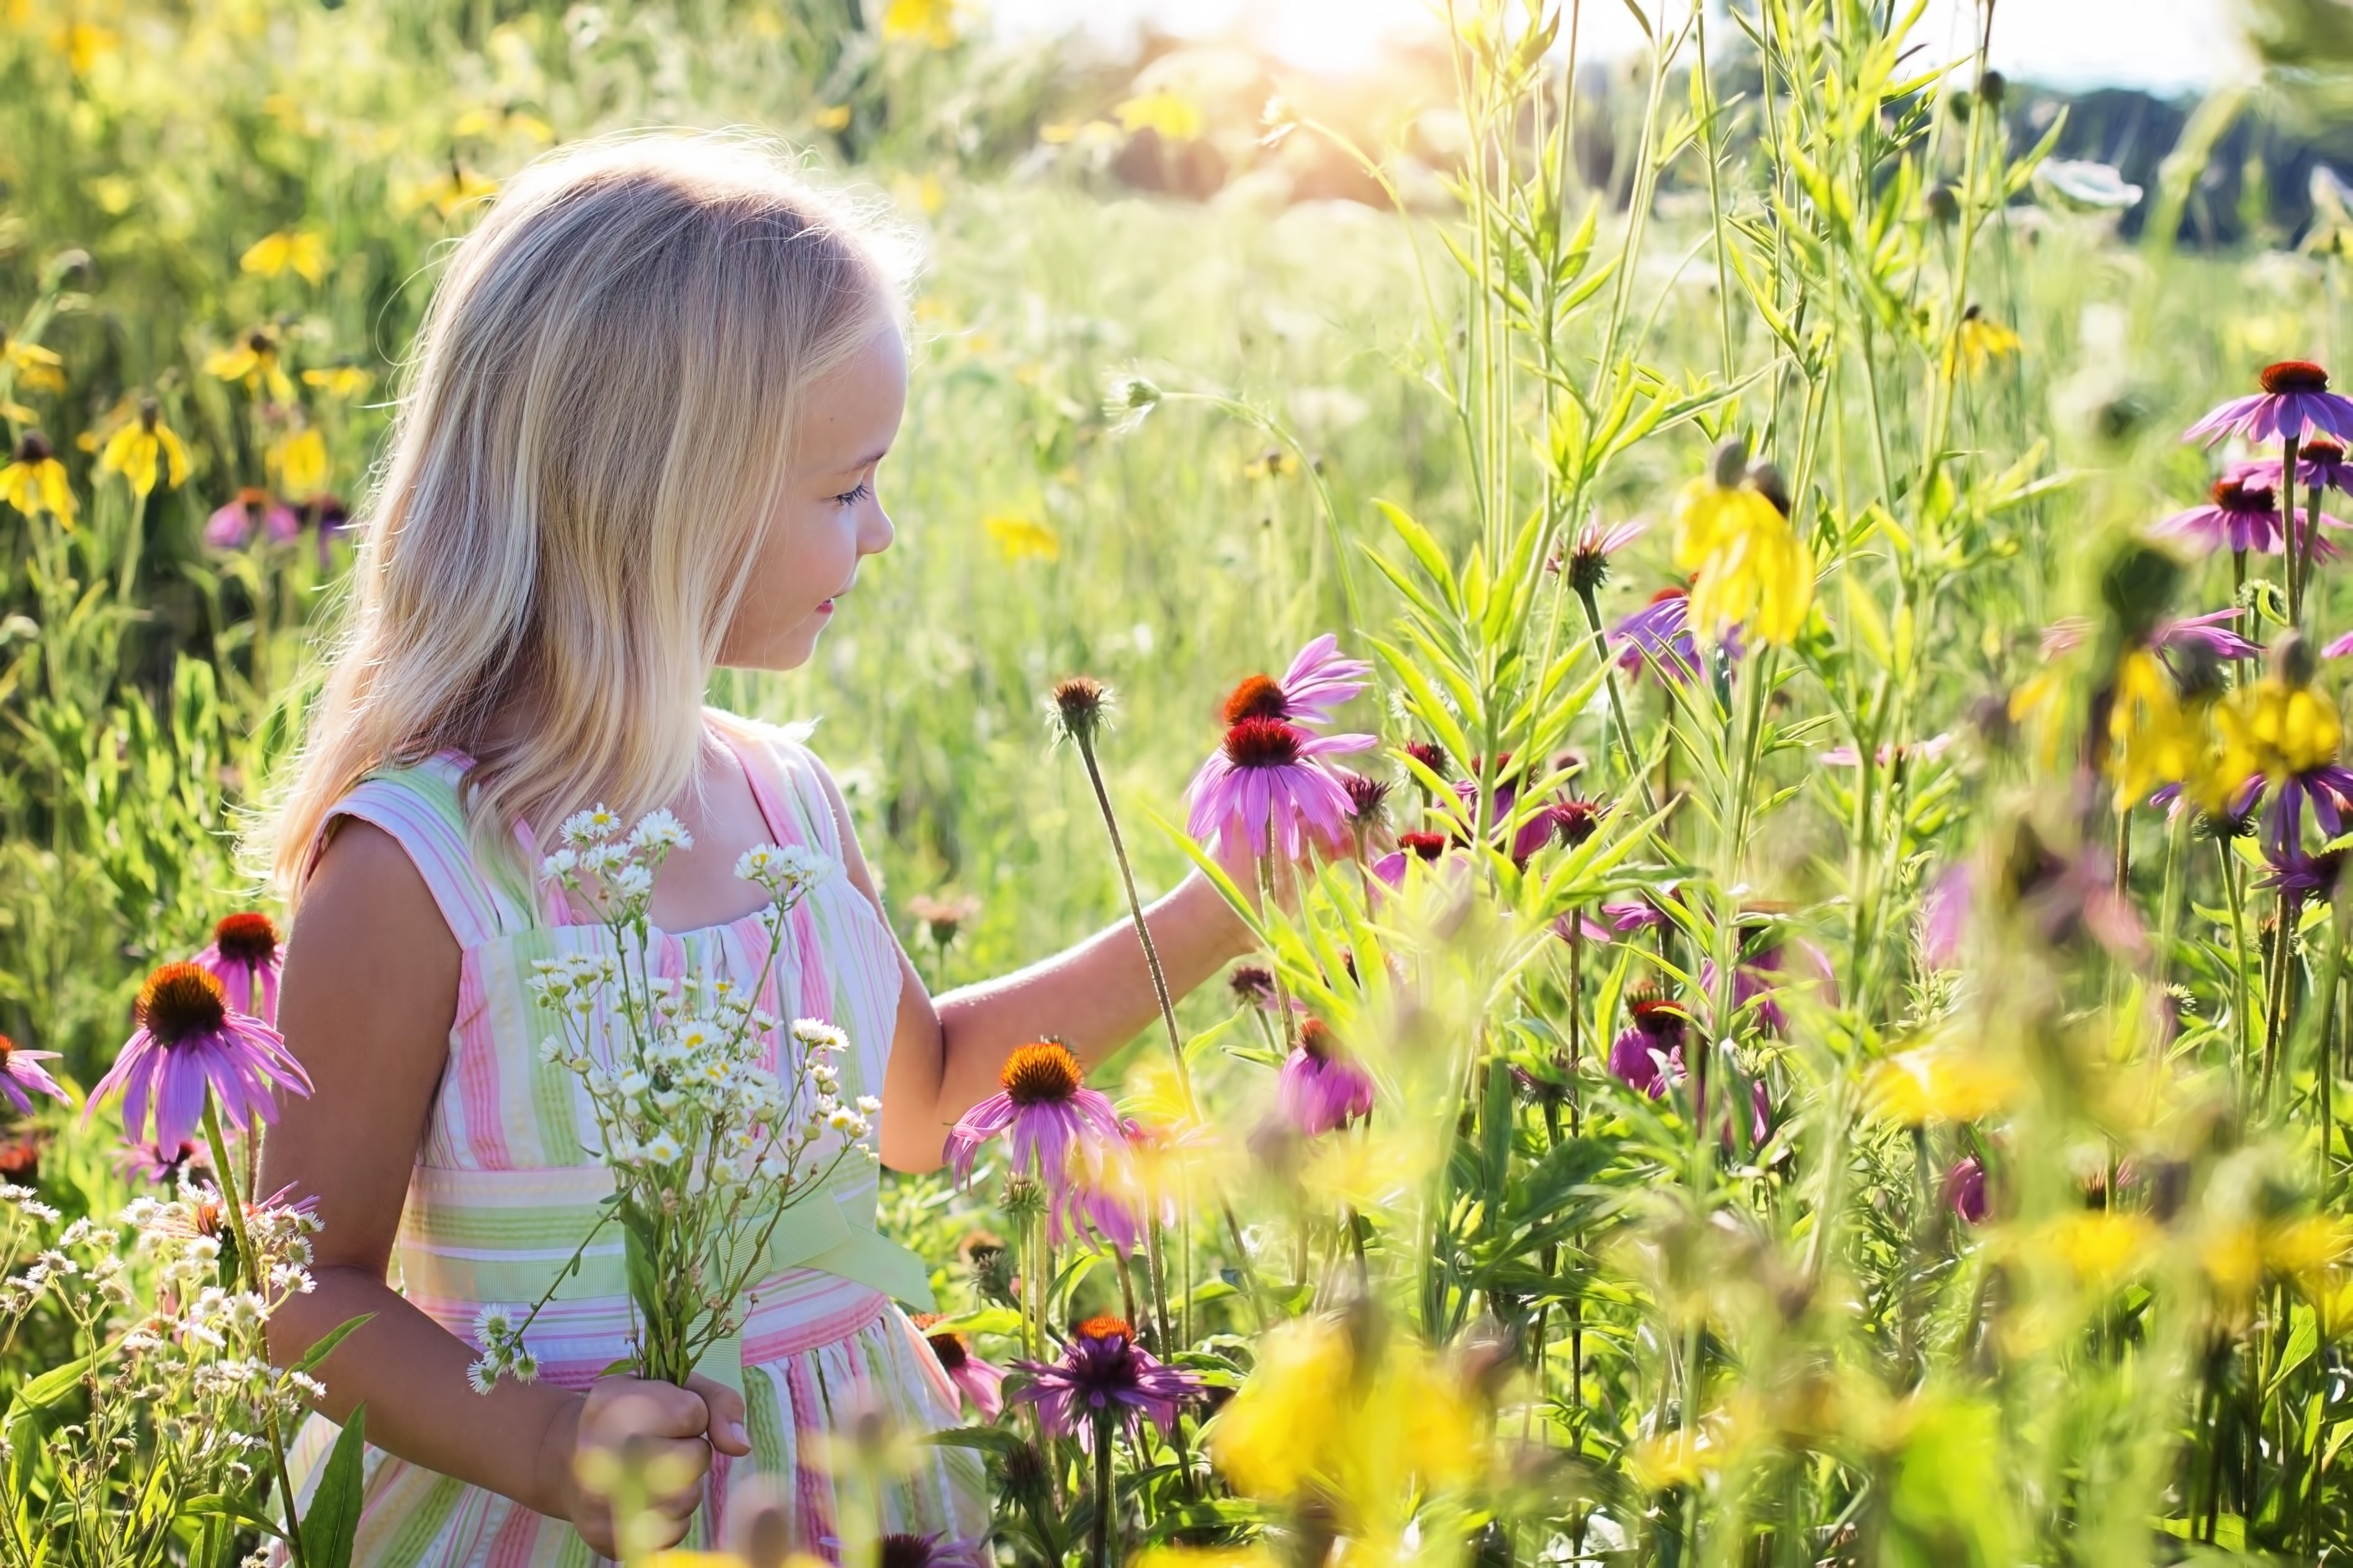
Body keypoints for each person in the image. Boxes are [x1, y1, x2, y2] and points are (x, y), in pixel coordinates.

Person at [256, 128, 1256, 1564]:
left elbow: (921, 1102)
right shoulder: (421, 870)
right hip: (541, 1518)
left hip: (857, 1494)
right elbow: (304, 1293)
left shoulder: (789, 802)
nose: (886, 530)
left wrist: (1220, 908)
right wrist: (542, 1441)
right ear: (664, 505)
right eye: (847, 489)